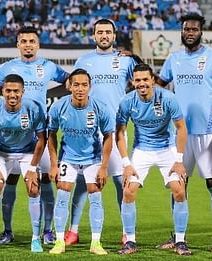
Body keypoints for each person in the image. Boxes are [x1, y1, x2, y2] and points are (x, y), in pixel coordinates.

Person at [155, 13, 212, 253]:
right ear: (181, 31)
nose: (190, 33)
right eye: (186, 29)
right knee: (179, 184)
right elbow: (158, 84)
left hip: (208, 134)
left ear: (201, 31)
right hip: (180, 134)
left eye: (194, 29)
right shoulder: (174, 59)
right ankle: (179, 237)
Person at [0, 26, 69, 245]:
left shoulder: (48, 66)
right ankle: (7, 230)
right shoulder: (9, 67)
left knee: (43, 182)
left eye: (32, 41)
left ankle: (48, 230)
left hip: (39, 134)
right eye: (23, 41)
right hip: (12, 134)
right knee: (9, 181)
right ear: (18, 45)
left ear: (38, 44)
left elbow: (69, 81)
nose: (28, 45)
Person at [66, 18, 139, 245]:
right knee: (81, 182)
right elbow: (72, 87)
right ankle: (73, 230)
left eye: (108, 32)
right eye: (100, 32)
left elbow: (145, 80)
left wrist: (135, 57)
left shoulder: (124, 61)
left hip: (116, 129)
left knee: (120, 181)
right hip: (87, 129)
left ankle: (128, 232)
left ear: (114, 35)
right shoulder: (84, 60)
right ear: (94, 36)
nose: (104, 35)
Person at [115, 63, 191, 256]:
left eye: (145, 79)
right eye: (137, 80)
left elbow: (181, 128)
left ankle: (180, 241)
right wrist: (126, 163)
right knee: (129, 191)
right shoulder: (127, 101)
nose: (141, 84)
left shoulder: (168, 98)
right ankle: (130, 241)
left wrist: (179, 159)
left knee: (179, 190)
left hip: (167, 149)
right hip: (142, 150)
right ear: (133, 82)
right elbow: (120, 133)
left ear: (153, 80)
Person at [47, 69, 113, 255]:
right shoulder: (58, 107)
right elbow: (51, 135)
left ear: (89, 87)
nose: (80, 89)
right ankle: (59, 241)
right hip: (68, 157)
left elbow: (109, 137)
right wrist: (54, 164)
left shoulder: (100, 107)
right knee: (62, 196)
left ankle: (96, 243)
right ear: (69, 86)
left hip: (93, 158)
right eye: (76, 84)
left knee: (96, 197)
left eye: (84, 85)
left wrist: (104, 166)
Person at [0, 74, 47, 253]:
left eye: (16, 91)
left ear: (22, 92)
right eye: (8, 90)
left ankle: (35, 239)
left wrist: (33, 168)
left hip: (28, 151)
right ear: (2, 91)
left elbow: (42, 139)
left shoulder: (33, 108)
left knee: (33, 188)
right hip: (3, 152)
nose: (12, 95)